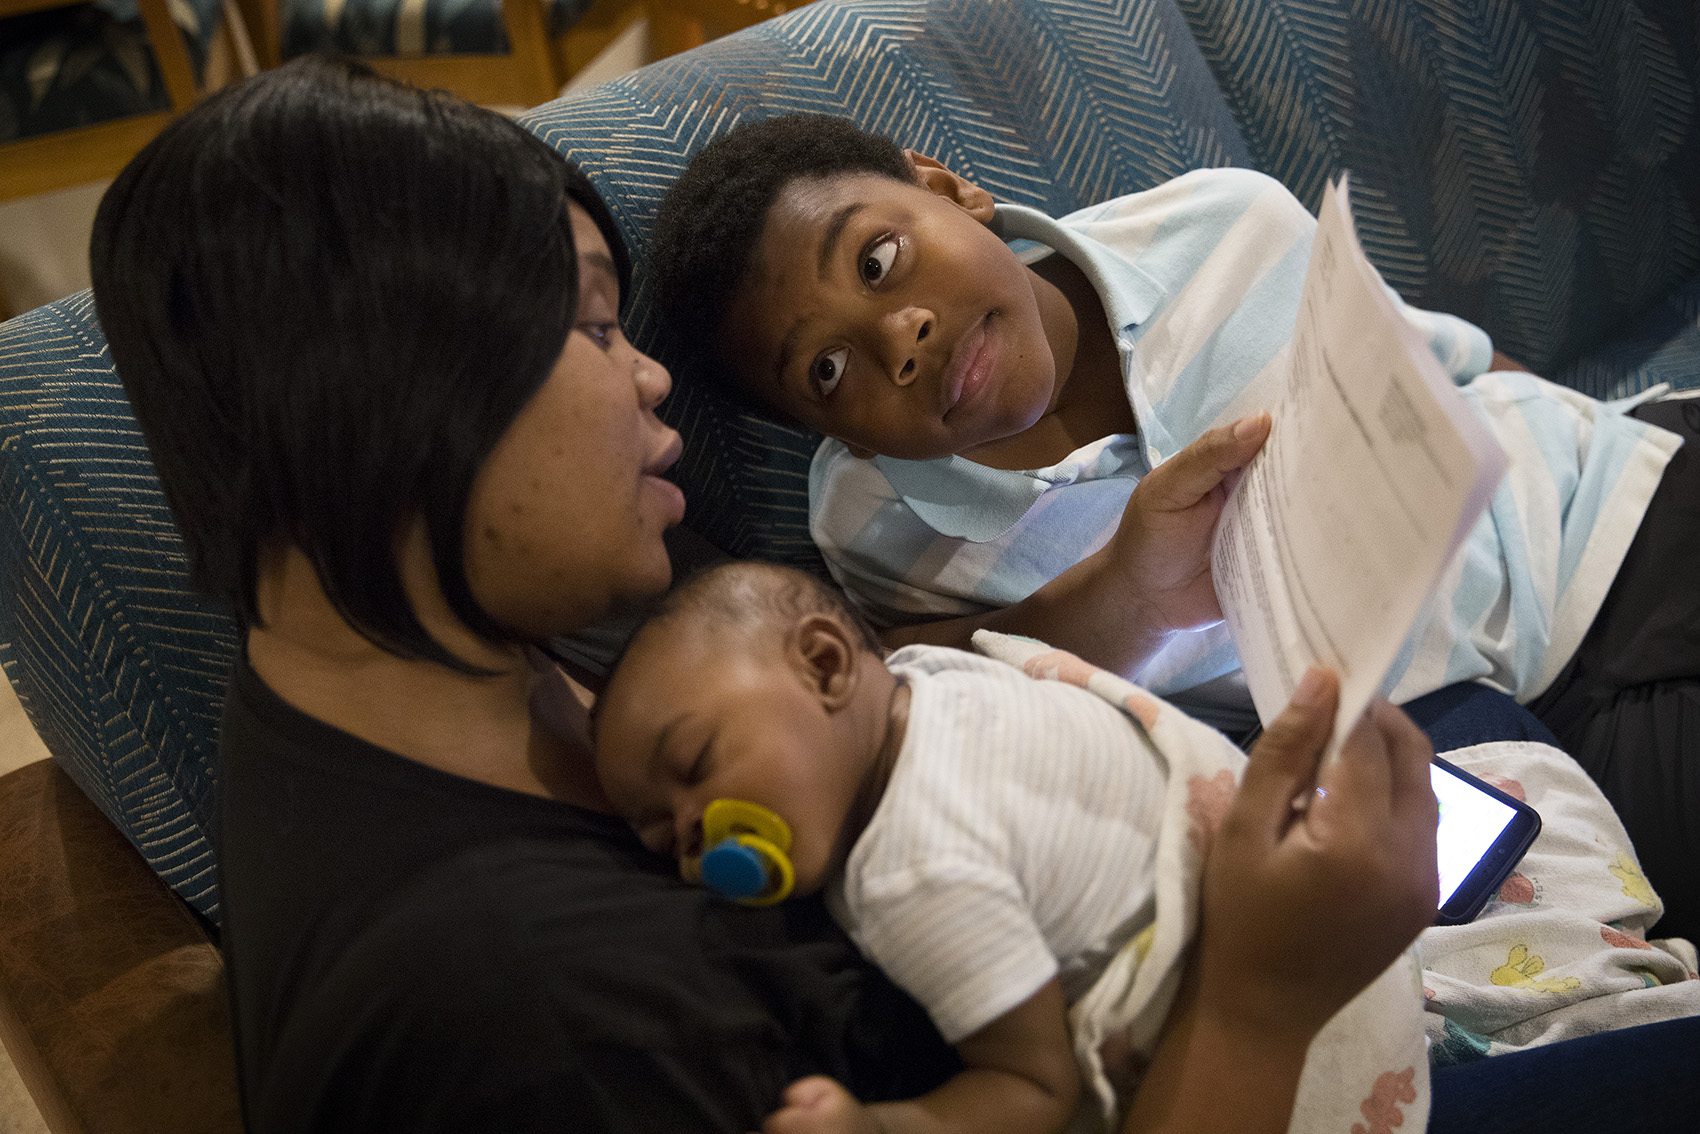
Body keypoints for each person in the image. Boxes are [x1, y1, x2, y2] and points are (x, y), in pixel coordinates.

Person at [85, 56, 1452, 1134]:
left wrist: (1113, 601)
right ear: (393, 397)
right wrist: (1259, 1004)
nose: (650, 380)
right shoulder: (547, 1024)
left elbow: (848, 696)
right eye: (594, 322)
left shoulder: (449, 650)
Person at [646, 113, 1700, 938]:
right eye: (826, 371)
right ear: (833, 436)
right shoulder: (876, 527)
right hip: (1487, 734)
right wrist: (1120, 586)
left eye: (877, 261)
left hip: (1606, 501)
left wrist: (1623, 428)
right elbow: (938, 684)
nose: (898, 337)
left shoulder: (1221, 225)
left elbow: (1445, 366)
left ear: (944, 189)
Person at [595, 560, 1700, 1134]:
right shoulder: (909, 876)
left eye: (694, 771)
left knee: (1459, 701)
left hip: (1284, 923)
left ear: (834, 667)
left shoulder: (929, 679)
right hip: (1314, 1070)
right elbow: (1026, 1091)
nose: (694, 838)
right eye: (662, 837)